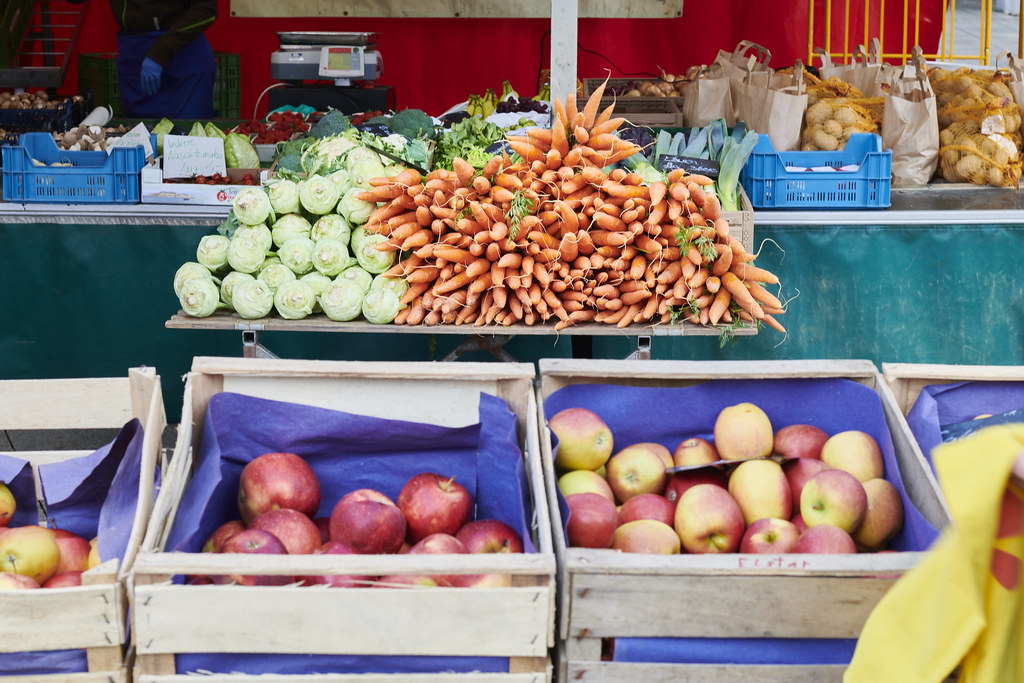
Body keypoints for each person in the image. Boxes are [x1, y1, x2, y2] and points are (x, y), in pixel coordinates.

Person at [83, 0, 219, 118]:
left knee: (189, 134)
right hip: (134, 60)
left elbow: (206, 7)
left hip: (184, 61)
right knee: (138, 135)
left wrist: (162, 51)